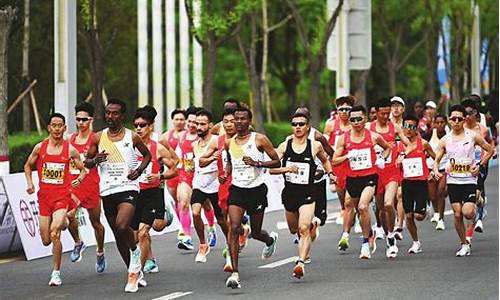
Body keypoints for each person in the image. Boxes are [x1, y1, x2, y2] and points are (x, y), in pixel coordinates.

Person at [84, 98, 152, 293]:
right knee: (118, 234)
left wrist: (138, 171)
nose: (110, 116)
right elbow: (87, 162)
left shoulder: (132, 137)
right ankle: (134, 269)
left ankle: (135, 254)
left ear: (122, 116)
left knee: (123, 225)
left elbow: (147, 156)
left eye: (114, 113)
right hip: (107, 190)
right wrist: (95, 160)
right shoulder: (98, 137)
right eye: (107, 113)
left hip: (128, 187)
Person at [24, 113, 87, 286]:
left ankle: (56, 273)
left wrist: (79, 179)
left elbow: (83, 170)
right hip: (44, 198)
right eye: (54, 125)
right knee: (45, 240)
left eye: (60, 125)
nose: (57, 128)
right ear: (49, 128)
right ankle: (65, 221)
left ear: (65, 128)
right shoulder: (40, 148)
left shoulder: (70, 149)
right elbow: (28, 165)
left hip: (62, 197)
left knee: (54, 233)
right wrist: (30, 183)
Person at [270, 111, 334, 278]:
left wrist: (331, 173)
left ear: (308, 127)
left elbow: (325, 160)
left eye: (301, 124)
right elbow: (271, 169)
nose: (297, 127)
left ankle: (300, 262)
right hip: (290, 193)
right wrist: (287, 168)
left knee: (303, 228)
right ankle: (308, 235)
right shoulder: (285, 145)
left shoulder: (315, 146)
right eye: (294, 124)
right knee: (294, 229)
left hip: (308, 193)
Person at [224, 106, 280, 289]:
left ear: (249, 121)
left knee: (256, 232)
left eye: (242, 119)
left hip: (256, 190)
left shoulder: (259, 139)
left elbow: (276, 160)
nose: (238, 122)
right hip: (237, 189)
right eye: (236, 119)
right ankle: (235, 272)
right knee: (233, 227)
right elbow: (230, 163)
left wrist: (257, 163)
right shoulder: (229, 142)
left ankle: (269, 239)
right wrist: (226, 174)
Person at [432, 105, 494, 256]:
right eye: (454, 119)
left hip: (469, 180)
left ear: (464, 119)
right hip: (453, 181)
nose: (457, 121)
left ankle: (477, 203)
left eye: (460, 118)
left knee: (467, 212)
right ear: (449, 120)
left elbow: (490, 149)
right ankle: (464, 243)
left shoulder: (472, 136)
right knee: (458, 214)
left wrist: (480, 165)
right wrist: (435, 171)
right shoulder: (445, 140)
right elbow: (437, 159)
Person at [332, 105, 391, 259]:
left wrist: (381, 159)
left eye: (359, 119)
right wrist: (347, 156)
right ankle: (369, 233)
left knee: (363, 207)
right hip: (352, 179)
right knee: (358, 211)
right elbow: (334, 160)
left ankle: (365, 243)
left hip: (370, 176)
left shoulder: (373, 136)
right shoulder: (343, 138)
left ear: (365, 119)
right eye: (353, 119)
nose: (356, 122)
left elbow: (387, 148)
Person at [132, 106, 178, 275]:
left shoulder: (158, 145)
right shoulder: (128, 145)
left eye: (142, 125)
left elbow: (175, 164)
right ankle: (148, 261)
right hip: (134, 193)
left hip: (154, 190)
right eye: (136, 125)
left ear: (150, 126)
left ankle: (166, 216)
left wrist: (161, 177)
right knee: (140, 233)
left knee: (156, 226)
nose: (138, 128)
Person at [369, 97, 414, 258]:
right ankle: (385, 230)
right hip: (375, 173)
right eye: (382, 113)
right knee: (381, 208)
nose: (386, 116)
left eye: (388, 113)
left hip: (392, 172)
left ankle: (392, 235)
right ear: (376, 112)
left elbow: (410, 144)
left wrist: (402, 154)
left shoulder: (394, 127)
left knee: (389, 203)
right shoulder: (369, 128)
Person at [68, 102, 106, 272]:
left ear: (90, 120)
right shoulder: (70, 139)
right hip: (73, 185)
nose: (81, 123)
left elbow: (105, 159)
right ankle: (78, 242)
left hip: (91, 186)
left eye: (84, 119)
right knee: (69, 215)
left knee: (96, 222)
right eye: (78, 119)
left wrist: (97, 160)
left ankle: (100, 251)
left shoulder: (96, 139)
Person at [190, 109, 230, 263]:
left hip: (215, 185)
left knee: (221, 219)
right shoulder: (195, 144)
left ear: (210, 125)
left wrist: (222, 170)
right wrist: (191, 167)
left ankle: (229, 242)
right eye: (197, 124)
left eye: (202, 124)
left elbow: (227, 158)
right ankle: (202, 244)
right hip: (199, 183)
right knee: (195, 212)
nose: (198, 127)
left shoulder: (217, 141)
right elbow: (197, 162)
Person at [175, 106, 217, 250]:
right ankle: (186, 236)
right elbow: (177, 156)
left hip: (204, 177)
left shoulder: (209, 139)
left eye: (196, 122)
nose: (193, 125)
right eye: (191, 122)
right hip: (186, 175)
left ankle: (211, 227)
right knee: (184, 202)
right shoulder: (182, 138)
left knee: (206, 205)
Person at [396, 115, 436, 254]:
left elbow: (435, 157)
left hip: (420, 182)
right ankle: (415, 242)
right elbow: (393, 162)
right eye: (406, 126)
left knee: (419, 216)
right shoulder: (399, 145)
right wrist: (397, 162)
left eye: (412, 127)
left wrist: (432, 170)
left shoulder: (423, 143)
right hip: (406, 182)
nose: (409, 130)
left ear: (416, 129)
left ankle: (426, 205)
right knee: (408, 216)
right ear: (402, 128)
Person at [461, 98, 495, 235]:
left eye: (471, 112)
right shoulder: (460, 128)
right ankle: (480, 204)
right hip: (464, 166)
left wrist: (488, 156)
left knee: (477, 190)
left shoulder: (483, 129)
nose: (468, 115)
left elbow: (490, 142)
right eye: (466, 113)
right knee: (473, 196)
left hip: (480, 164)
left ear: (476, 113)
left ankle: (479, 219)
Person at [324, 96, 355, 228]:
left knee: (352, 195)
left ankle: (355, 215)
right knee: (341, 195)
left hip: (353, 163)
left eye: (347, 109)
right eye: (341, 109)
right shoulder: (331, 124)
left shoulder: (356, 124)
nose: (344, 112)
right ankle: (345, 209)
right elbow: (324, 143)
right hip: (337, 163)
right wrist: (322, 159)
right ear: (337, 110)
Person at [159, 109, 186, 226]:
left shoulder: (189, 134)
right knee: (176, 201)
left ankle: (185, 231)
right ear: (172, 120)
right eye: (177, 119)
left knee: (184, 200)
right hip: (172, 173)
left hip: (186, 172)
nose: (179, 122)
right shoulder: (165, 136)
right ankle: (182, 225)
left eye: (182, 119)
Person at [422, 115, 448, 230]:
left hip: (444, 168)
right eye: (437, 122)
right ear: (434, 123)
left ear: (446, 123)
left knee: (440, 192)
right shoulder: (429, 134)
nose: (440, 125)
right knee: (432, 195)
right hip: (431, 168)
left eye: (442, 122)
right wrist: (425, 153)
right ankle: (436, 212)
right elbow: (421, 143)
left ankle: (441, 219)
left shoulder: (450, 135)